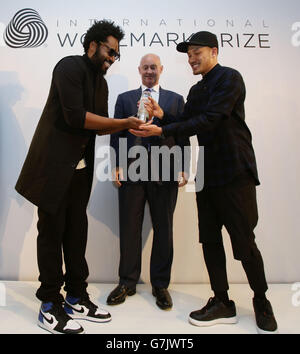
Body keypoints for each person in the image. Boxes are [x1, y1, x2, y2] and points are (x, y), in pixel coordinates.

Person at [130, 32, 277, 333]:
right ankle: (222, 301)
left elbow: (211, 119)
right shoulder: (196, 91)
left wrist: (162, 130)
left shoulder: (230, 79)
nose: (191, 59)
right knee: (209, 240)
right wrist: (161, 117)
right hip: (207, 174)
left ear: (214, 51)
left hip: (235, 171)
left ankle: (261, 300)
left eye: (197, 52)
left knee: (244, 241)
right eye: (188, 54)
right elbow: (185, 121)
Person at [15, 20, 142, 334]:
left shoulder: (101, 83)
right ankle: (49, 303)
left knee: (76, 232)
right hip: (52, 170)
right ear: (92, 45)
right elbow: (75, 116)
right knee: (51, 234)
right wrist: (124, 121)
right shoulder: (68, 67)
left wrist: (124, 125)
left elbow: (98, 126)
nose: (112, 59)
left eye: (116, 55)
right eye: (109, 52)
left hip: (81, 171)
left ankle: (75, 296)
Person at [107, 54, 190, 310]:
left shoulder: (176, 100)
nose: (150, 71)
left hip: (165, 171)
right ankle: (127, 282)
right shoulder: (124, 99)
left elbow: (184, 132)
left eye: (154, 67)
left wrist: (184, 167)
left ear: (161, 70)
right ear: (139, 70)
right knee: (129, 227)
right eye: (146, 67)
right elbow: (116, 134)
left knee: (164, 229)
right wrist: (117, 165)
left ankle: (160, 285)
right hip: (132, 170)